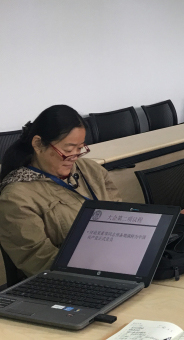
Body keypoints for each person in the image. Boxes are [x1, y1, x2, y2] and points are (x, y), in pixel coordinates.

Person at [0, 105, 120, 277]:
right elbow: (39, 260)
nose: (74, 157)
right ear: (38, 144)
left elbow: (120, 212)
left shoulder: (91, 170)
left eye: (80, 148)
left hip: (112, 264)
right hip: (69, 280)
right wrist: (101, 265)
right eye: (68, 150)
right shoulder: (15, 198)